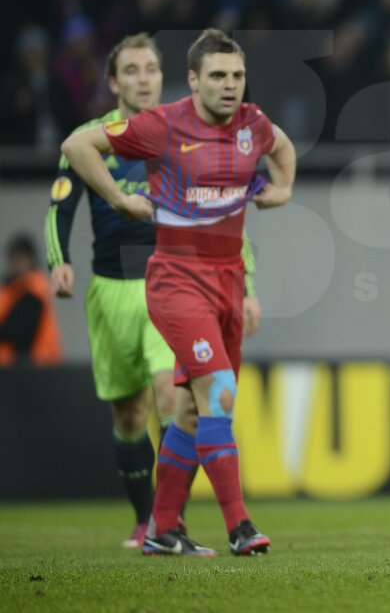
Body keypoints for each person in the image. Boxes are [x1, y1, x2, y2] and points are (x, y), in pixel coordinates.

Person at [62, 29, 295, 558]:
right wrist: (118, 198)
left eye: (236, 75)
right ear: (192, 81)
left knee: (192, 410)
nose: (230, 85)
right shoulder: (161, 124)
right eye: (217, 76)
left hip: (228, 280)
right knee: (220, 395)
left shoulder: (252, 124)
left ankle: (161, 529)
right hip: (177, 282)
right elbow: (78, 145)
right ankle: (240, 526)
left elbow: (283, 148)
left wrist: (283, 190)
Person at [0, 234, 64, 367]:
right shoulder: (10, 291)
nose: (17, 263)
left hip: (37, 370)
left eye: (22, 258)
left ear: (31, 259)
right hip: (18, 369)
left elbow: (19, 332)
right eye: (14, 258)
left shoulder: (34, 288)